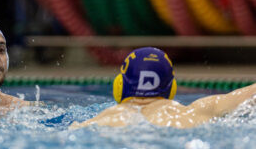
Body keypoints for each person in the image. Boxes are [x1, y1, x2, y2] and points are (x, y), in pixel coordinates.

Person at [71, 47, 256, 129]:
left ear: (120, 85)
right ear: (171, 87)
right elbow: (245, 95)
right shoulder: (198, 111)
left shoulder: (100, 121)